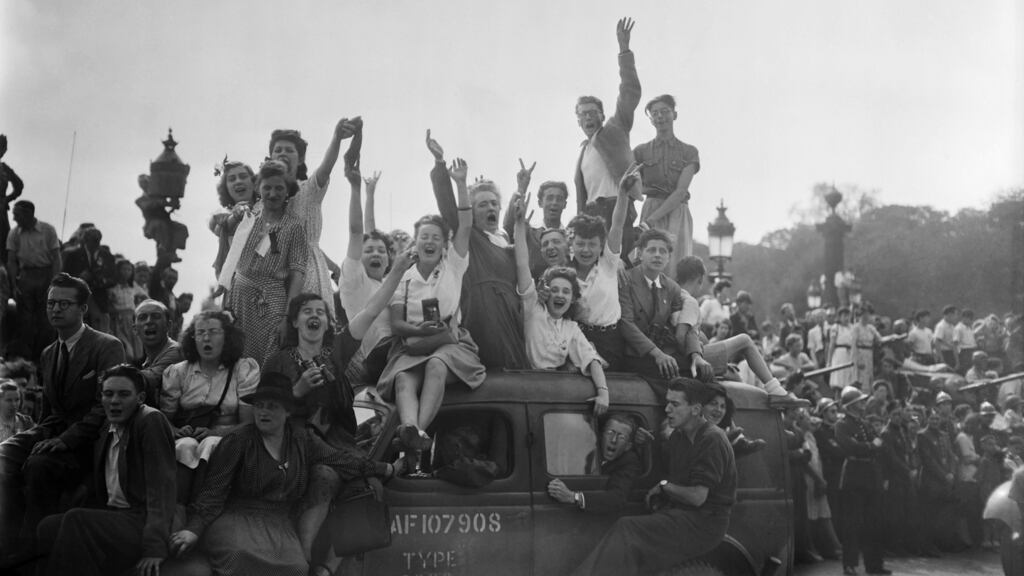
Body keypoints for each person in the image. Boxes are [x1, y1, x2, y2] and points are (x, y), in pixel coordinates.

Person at [166, 372, 395, 576]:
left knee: (297, 568)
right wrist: (193, 530)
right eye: (260, 405)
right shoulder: (238, 440)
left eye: (272, 406)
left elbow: (341, 459)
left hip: (278, 523)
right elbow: (212, 493)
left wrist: (387, 468)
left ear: (288, 411)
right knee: (239, 556)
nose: (264, 412)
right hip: (236, 518)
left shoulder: (302, 439)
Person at [0, 273, 125, 541]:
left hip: (88, 441)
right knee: (4, 454)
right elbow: (49, 411)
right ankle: (9, 537)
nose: (55, 309)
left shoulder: (106, 346)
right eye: (51, 303)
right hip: (52, 431)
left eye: (64, 304)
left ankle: (33, 547)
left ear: (82, 309)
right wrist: (32, 436)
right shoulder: (48, 353)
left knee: (38, 465)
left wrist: (65, 440)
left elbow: (106, 408)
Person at [570, 378, 736, 576]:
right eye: (668, 403)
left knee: (628, 529)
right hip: (682, 513)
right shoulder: (679, 437)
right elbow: (667, 468)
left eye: (675, 404)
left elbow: (697, 496)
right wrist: (645, 445)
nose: (667, 410)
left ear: (695, 409)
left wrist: (664, 486)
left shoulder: (712, 439)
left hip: (704, 523)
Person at [378, 159, 485, 465]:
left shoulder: (453, 266)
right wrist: (419, 333)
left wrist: (461, 183)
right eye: (424, 236)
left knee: (437, 365)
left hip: (450, 342)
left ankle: (416, 436)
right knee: (403, 380)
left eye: (436, 237)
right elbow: (397, 324)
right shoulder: (403, 276)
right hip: (412, 344)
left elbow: (465, 224)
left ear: (443, 244)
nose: (430, 241)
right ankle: (412, 429)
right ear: (416, 240)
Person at [263, 248, 412, 448]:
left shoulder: (337, 349)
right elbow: (263, 414)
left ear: (327, 323)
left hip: (337, 448)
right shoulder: (278, 361)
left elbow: (371, 310)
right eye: (307, 311)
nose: (314, 315)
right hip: (291, 450)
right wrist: (298, 391)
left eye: (320, 312)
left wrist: (397, 272)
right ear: (295, 322)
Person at [36, 365, 175, 576]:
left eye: (124, 394)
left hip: (140, 522)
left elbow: (161, 488)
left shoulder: (149, 421)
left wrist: (154, 547)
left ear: (140, 398)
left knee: (77, 519)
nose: (114, 401)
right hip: (114, 517)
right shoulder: (106, 427)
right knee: (47, 526)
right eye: (108, 394)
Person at [426, 131, 529, 369]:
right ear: (471, 211)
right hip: (481, 313)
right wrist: (441, 165)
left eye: (494, 203)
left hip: (511, 316)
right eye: (482, 204)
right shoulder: (470, 235)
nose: (490, 207)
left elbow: (517, 221)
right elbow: (448, 206)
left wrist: (521, 189)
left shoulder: (508, 244)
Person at [513, 195, 609, 415]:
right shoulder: (533, 310)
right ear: (545, 293)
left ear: (573, 298)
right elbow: (521, 262)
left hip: (556, 392)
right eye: (554, 289)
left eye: (566, 291)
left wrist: (603, 392)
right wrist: (519, 225)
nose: (560, 295)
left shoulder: (571, 327)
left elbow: (591, 360)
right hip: (526, 387)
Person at [264, 118, 360, 318]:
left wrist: (336, 138)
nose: (282, 153)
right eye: (278, 149)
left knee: (312, 329)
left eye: (289, 150)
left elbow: (326, 167)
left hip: (309, 275)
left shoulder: (308, 190)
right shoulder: (264, 201)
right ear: (270, 157)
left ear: (299, 159)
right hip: (275, 277)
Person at [573, 18, 642, 265]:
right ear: (578, 120)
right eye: (583, 114)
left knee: (619, 268)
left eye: (593, 112)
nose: (588, 117)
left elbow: (630, 92)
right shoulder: (583, 151)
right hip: (591, 215)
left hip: (617, 208)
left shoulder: (615, 129)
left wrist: (624, 50)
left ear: (602, 115)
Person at [674, 256, 791, 399]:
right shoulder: (691, 302)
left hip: (688, 354)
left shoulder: (673, 295)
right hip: (689, 359)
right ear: (699, 279)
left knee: (733, 372)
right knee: (745, 340)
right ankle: (776, 390)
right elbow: (682, 335)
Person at [227, 160, 308, 365]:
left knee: (269, 358)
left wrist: (287, 317)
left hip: (271, 302)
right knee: (236, 356)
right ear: (257, 188)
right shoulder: (247, 217)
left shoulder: (294, 226)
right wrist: (231, 219)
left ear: (287, 190)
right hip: (239, 298)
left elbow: (297, 272)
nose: (273, 194)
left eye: (279, 188)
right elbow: (224, 239)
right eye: (267, 188)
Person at [160, 311, 259, 476]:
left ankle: (205, 498)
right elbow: (165, 420)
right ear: (193, 338)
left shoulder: (242, 369)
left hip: (230, 437)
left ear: (227, 337)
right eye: (200, 333)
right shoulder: (178, 372)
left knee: (211, 444)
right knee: (185, 446)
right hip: (189, 437)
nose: (206, 338)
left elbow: (248, 424)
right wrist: (176, 430)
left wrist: (215, 433)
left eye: (213, 332)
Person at [566, 164, 633, 371]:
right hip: (579, 337)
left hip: (611, 340)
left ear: (601, 245)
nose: (586, 250)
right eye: (580, 244)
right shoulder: (566, 272)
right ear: (572, 244)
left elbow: (618, 224)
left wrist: (622, 194)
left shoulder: (609, 263)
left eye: (592, 244)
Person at [618, 228, 707, 382]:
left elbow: (686, 326)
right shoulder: (626, 280)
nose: (657, 255)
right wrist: (657, 354)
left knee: (703, 374)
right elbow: (626, 324)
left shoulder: (672, 288)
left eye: (663, 251)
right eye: (651, 250)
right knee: (680, 383)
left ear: (669, 257)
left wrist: (696, 355)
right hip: (634, 354)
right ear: (640, 253)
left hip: (663, 355)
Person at [338, 164, 395, 385]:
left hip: (398, 355)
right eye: (368, 251)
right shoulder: (355, 281)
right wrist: (355, 190)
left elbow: (371, 232)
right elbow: (357, 232)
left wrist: (371, 195)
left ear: (389, 258)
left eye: (382, 251)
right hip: (375, 364)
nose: (376, 254)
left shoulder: (389, 285)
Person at [633, 94, 699, 277]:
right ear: (651, 120)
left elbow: (680, 192)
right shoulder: (640, 152)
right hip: (651, 207)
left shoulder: (689, 152)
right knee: (646, 266)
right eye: (655, 113)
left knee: (677, 268)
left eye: (665, 111)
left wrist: (651, 220)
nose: (660, 116)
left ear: (674, 115)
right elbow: (630, 185)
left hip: (677, 212)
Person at [834, 385, 890, 575]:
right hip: (854, 477)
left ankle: (874, 564)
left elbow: (879, 444)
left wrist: (869, 446)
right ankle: (849, 565)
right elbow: (851, 447)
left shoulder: (863, 423)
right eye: (859, 402)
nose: (863, 404)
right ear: (851, 405)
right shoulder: (842, 425)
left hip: (870, 475)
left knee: (873, 522)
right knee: (853, 524)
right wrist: (870, 446)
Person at [547, 413, 642, 514]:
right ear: (601, 436)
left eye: (621, 437)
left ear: (628, 446)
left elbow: (617, 498)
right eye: (610, 432)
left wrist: (573, 497)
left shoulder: (630, 462)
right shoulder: (590, 452)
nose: (613, 440)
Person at [6, 200, 61, 359]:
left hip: (46, 274)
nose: (15, 218)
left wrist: (55, 281)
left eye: (17, 215)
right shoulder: (14, 233)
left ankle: (45, 357)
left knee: (47, 319)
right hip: (25, 276)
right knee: (25, 320)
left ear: (29, 213)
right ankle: (27, 359)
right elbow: (11, 260)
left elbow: (56, 258)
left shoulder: (47, 229)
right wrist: (14, 283)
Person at [502, 179, 569, 275]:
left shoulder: (569, 236)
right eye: (550, 198)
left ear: (564, 204)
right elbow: (508, 231)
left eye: (559, 199)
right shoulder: (530, 233)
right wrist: (521, 189)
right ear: (540, 203)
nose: (554, 202)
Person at [62, 226, 117, 333]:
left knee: (101, 333)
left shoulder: (107, 256)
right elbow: (64, 277)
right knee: (77, 331)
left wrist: (102, 281)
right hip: (78, 298)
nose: (95, 243)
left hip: (99, 299)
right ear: (85, 240)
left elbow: (114, 278)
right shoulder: (73, 255)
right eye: (92, 240)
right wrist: (78, 277)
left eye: (97, 240)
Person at [209, 159, 256, 278]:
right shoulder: (223, 214)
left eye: (243, 176)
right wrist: (235, 216)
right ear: (226, 188)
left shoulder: (266, 209)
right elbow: (218, 229)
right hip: (236, 283)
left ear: (253, 182)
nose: (238, 181)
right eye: (232, 179)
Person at [133, 299, 183, 406]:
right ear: (135, 329)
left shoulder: (176, 351)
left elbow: (141, 380)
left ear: (169, 326)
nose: (149, 321)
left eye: (156, 316)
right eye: (142, 317)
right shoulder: (148, 360)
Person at [108, 259, 148, 360]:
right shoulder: (112, 288)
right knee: (126, 350)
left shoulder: (133, 287)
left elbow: (146, 297)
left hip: (132, 320)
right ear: (118, 270)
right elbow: (109, 304)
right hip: (119, 321)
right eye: (124, 269)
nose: (126, 272)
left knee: (137, 352)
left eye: (129, 270)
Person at [0, 134, 25, 265]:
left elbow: (19, 185)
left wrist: (6, 199)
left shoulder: (4, 168)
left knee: (5, 245)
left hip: (1, 213)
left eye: (2, 148)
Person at [827, 307, 856, 392]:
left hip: (850, 354)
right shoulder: (836, 327)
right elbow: (831, 344)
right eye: (844, 316)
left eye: (848, 316)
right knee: (838, 380)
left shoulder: (852, 327)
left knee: (849, 379)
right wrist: (829, 361)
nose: (846, 318)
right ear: (839, 317)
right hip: (839, 354)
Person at [852, 305, 882, 386]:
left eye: (868, 314)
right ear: (859, 315)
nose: (866, 316)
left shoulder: (871, 328)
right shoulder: (856, 328)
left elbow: (880, 339)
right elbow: (853, 345)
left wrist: (893, 337)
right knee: (861, 377)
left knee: (869, 377)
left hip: (869, 354)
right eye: (863, 314)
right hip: (860, 353)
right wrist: (858, 359)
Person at [955, 308, 978, 373]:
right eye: (970, 319)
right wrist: (957, 361)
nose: (971, 321)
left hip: (972, 351)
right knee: (966, 370)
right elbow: (955, 344)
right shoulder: (959, 328)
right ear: (964, 318)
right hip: (965, 352)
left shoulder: (969, 328)